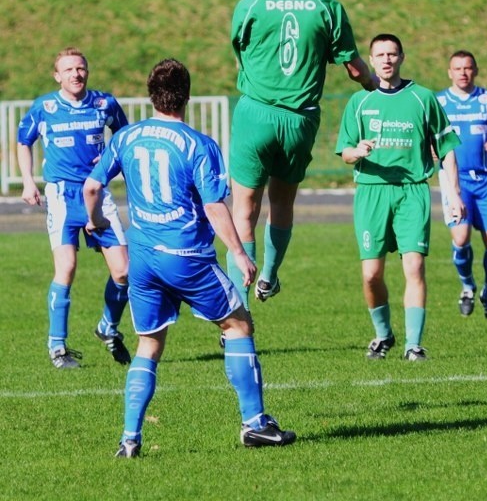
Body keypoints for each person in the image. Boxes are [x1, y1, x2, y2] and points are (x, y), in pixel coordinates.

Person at [83, 58, 296, 457]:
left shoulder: (126, 137)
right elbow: (215, 207)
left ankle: (130, 439)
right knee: (238, 326)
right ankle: (254, 424)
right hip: (186, 256)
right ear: (188, 95)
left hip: (143, 257)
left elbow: (92, 187)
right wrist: (239, 253)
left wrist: (95, 223)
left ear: (151, 95)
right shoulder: (198, 144)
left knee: (148, 345)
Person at [227, 0, 377, 318]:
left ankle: (237, 314)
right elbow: (355, 69)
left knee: (244, 209)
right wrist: (376, 85)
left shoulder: (250, 5)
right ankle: (270, 276)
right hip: (299, 119)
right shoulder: (326, 6)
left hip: (255, 113)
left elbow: (240, 54)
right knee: (282, 202)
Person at [336, 34, 465, 362]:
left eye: (392, 54)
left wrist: (454, 195)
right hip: (371, 192)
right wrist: (357, 151)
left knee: (415, 266)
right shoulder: (359, 102)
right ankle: (383, 334)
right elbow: (346, 152)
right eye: (380, 54)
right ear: (372, 60)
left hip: (413, 192)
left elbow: (447, 150)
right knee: (370, 274)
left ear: (402, 57)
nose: (387, 60)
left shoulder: (422, 98)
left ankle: (414, 344)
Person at [17, 47, 131, 369]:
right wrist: (28, 181)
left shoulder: (104, 103)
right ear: (58, 76)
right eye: (68, 70)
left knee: (123, 271)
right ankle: (57, 347)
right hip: (62, 196)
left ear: (87, 72)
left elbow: (124, 139)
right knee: (66, 267)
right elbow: (23, 141)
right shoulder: (45, 107)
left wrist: (116, 164)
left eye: (80, 69)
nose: (75, 74)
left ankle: (107, 327)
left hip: (98, 193)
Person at [436, 50, 487, 318]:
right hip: (454, 181)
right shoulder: (439, 102)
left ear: (475, 70)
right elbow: (425, 134)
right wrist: (430, 150)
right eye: (457, 68)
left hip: (486, 180)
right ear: (450, 72)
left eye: (468, 68)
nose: (463, 73)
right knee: (461, 237)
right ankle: (467, 286)